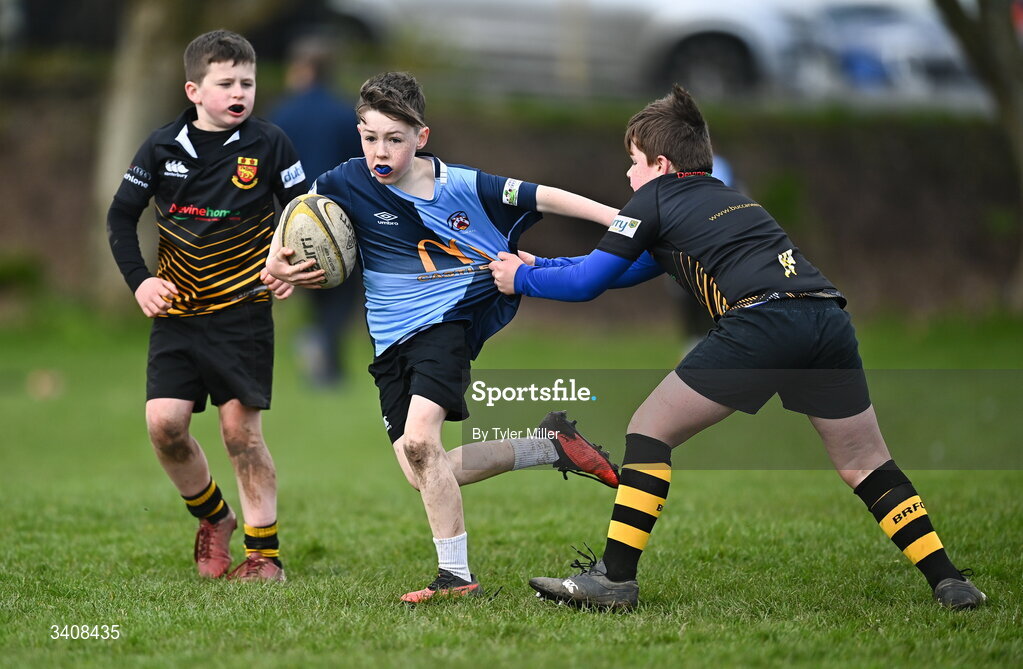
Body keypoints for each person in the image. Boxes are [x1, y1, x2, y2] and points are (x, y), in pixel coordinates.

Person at [490, 84, 986, 611]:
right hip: (825, 315)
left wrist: (521, 281)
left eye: (632, 162)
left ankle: (614, 580)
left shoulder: (653, 198)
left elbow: (589, 283)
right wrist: (537, 266)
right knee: (865, 460)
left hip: (764, 321)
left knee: (648, 429)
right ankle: (949, 580)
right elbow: (620, 270)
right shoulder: (725, 196)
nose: (628, 176)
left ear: (660, 165)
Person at [265, 71, 621, 603]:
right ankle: (549, 447)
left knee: (420, 442)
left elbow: (547, 197)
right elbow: (298, 218)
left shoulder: (462, 186)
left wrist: (625, 222)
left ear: (421, 137)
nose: (380, 151)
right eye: (370, 137)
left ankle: (456, 577)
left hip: (446, 325)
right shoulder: (344, 180)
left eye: (395, 139)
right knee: (423, 470)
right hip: (390, 342)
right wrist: (279, 265)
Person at [106, 29, 308, 582]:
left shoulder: (270, 144)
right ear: (194, 89)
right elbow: (121, 217)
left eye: (247, 82)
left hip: (242, 311)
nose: (239, 91)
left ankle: (264, 554)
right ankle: (214, 518)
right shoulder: (161, 147)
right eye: (226, 83)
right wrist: (140, 282)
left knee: (240, 433)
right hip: (176, 314)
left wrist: (289, 263)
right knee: (164, 426)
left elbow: (304, 215)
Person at [269, 35, 363, 388]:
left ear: (304, 68)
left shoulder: (283, 112)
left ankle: (320, 350)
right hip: (336, 216)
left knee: (306, 285)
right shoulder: (345, 114)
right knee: (341, 289)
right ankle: (323, 344)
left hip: (292, 218)